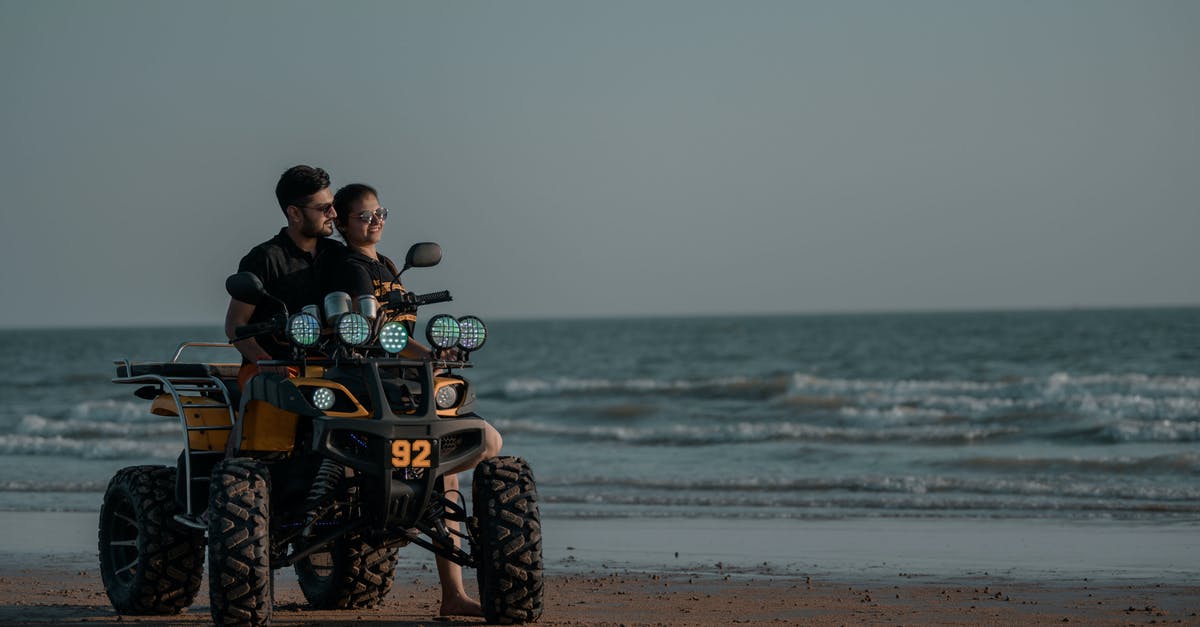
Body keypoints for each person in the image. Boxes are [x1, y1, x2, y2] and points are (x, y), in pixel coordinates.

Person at [320, 182, 502, 618]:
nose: (376, 220)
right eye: (365, 216)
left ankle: (453, 594)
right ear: (342, 223)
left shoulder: (384, 265)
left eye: (380, 212)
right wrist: (426, 356)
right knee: (482, 445)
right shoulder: (349, 267)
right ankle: (445, 577)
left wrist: (434, 357)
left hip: (405, 387)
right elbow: (379, 333)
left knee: (464, 462)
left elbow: (396, 337)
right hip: (371, 391)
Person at [225, 165, 343, 389]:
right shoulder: (265, 258)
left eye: (333, 206)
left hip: (331, 367)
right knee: (280, 403)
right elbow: (234, 324)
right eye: (324, 209)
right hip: (274, 370)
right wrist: (265, 362)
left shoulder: (338, 254)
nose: (334, 214)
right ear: (295, 213)